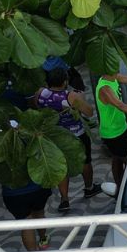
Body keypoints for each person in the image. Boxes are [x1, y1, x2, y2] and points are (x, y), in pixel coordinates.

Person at [33, 66, 96, 209]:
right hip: (76, 135)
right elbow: (89, 112)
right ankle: (89, 188)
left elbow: (37, 108)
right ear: (65, 82)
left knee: (62, 165)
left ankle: (64, 199)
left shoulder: (40, 93)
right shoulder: (71, 96)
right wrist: (81, 98)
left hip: (54, 136)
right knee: (85, 161)